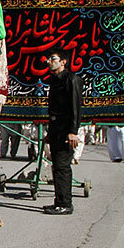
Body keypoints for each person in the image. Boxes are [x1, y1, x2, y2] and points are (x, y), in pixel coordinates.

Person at [43, 48, 82, 215]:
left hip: (66, 130)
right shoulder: (55, 80)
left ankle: (65, 203)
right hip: (56, 129)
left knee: (63, 167)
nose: (49, 62)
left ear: (63, 62)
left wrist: (73, 131)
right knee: (57, 167)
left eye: (53, 59)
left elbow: (75, 108)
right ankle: (58, 201)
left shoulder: (71, 80)